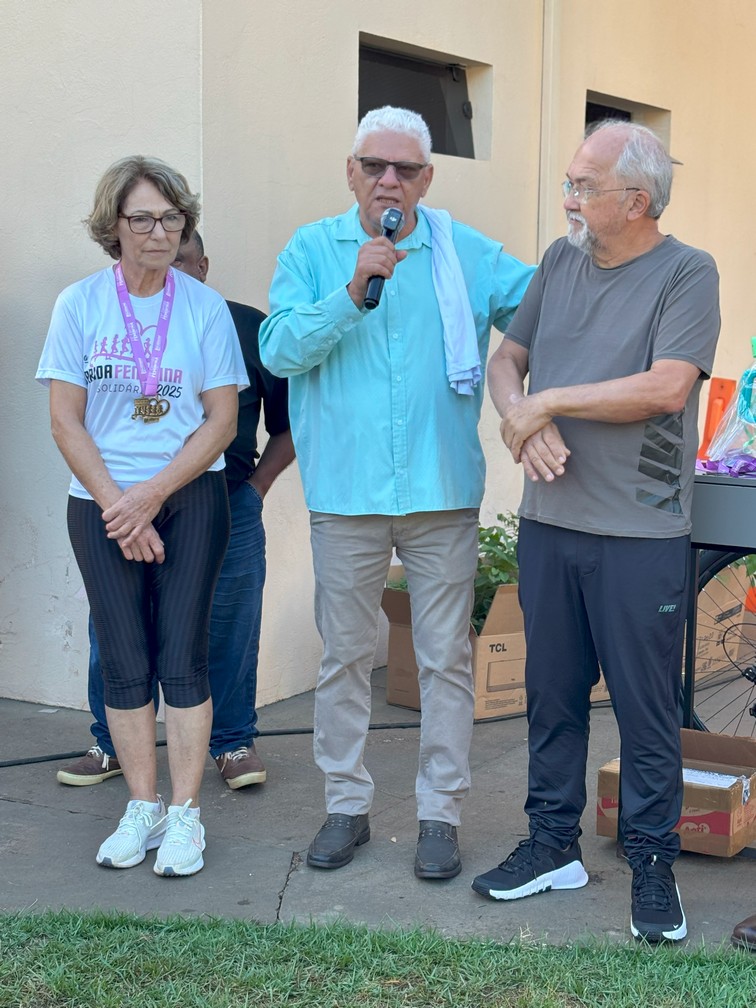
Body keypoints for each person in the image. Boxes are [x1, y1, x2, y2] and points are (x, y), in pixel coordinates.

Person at [259, 106, 534, 880]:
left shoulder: (464, 252)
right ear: (351, 171)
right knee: (345, 655)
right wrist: (352, 291)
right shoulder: (314, 249)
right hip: (346, 492)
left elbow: (541, 311)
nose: (390, 180)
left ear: (427, 179)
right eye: (375, 166)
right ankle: (346, 806)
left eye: (405, 169)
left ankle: (439, 814)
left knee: (446, 658)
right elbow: (277, 350)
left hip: (439, 489)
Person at [472, 121, 720, 942]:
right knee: (551, 698)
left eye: (584, 185)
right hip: (551, 524)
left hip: (639, 535)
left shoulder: (686, 273)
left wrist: (552, 401)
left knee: (647, 711)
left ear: (636, 200)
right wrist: (521, 415)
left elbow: (665, 387)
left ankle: (653, 860)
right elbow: (509, 360)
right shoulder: (560, 260)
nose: (569, 197)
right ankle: (552, 846)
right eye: (572, 181)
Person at [36, 157, 248, 876]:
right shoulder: (80, 305)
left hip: (188, 495)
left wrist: (151, 496)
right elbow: (66, 421)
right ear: (113, 227)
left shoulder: (203, 307)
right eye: (143, 219)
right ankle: (142, 808)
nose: (160, 232)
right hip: (100, 500)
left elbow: (221, 421)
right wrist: (118, 505)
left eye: (171, 218)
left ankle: (185, 818)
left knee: (182, 655)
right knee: (124, 659)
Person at [55, 231, 294, 792]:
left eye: (184, 260)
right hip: (121, 506)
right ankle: (111, 742)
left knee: (228, 625)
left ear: (204, 265)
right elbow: (71, 416)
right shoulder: (101, 315)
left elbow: (289, 425)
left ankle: (233, 742)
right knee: (114, 627)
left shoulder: (242, 326)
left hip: (220, 504)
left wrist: (256, 489)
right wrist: (118, 501)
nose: (170, 270)